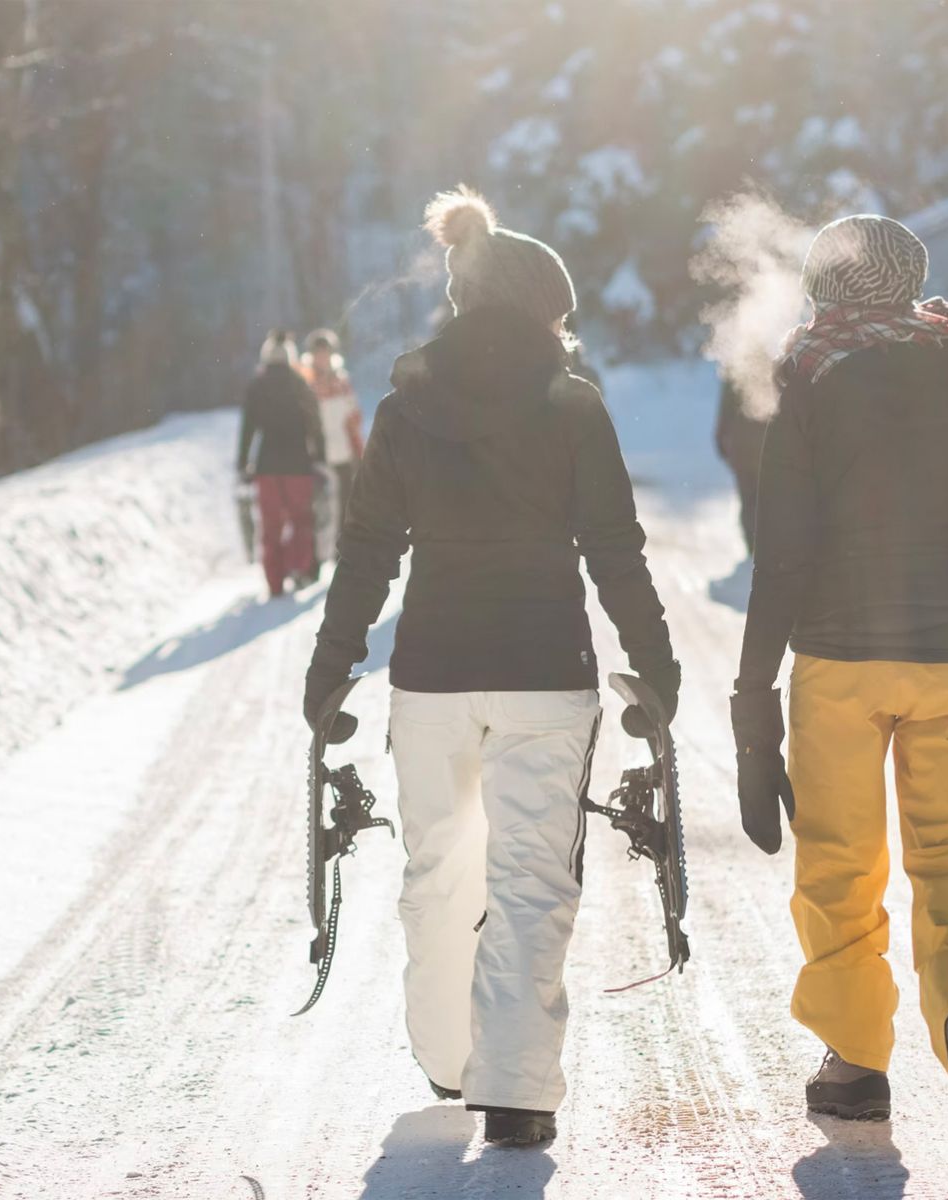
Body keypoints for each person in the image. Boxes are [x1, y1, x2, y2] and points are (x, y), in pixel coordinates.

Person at [303, 187, 678, 1148]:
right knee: (529, 876)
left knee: (436, 870)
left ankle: (447, 1057)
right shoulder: (572, 404)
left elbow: (369, 547)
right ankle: (513, 1089)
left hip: (430, 673)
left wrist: (331, 665)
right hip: (546, 672)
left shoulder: (403, 404)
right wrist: (655, 663)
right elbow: (614, 547)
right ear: (544, 310)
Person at [728, 215, 948, 1137]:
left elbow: (784, 553)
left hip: (840, 660)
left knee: (840, 861)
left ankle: (853, 1064)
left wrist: (751, 693)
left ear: (823, 285)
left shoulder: (809, 371)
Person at [238, 330, 325, 597]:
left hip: (266, 467)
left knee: (270, 526)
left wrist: (243, 464)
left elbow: (248, 429)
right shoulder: (301, 383)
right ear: (290, 356)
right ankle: (298, 568)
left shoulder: (256, 386)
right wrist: (319, 457)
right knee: (301, 520)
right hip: (299, 465)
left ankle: (274, 582)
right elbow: (315, 424)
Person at [302, 328, 365, 566]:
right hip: (319, 456)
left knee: (346, 506)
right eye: (318, 353)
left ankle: (342, 554)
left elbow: (354, 416)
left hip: (345, 453)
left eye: (326, 353)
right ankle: (316, 558)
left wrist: (358, 449)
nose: (323, 358)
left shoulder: (342, 381)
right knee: (320, 509)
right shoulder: (307, 384)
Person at [714, 377, 768, 557]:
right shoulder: (773, 363)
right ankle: (764, 543)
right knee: (766, 498)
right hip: (765, 446)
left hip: (741, 446)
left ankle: (752, 544)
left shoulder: (736, 369)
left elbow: (725, 410)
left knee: (748, 498)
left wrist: (721, 440)